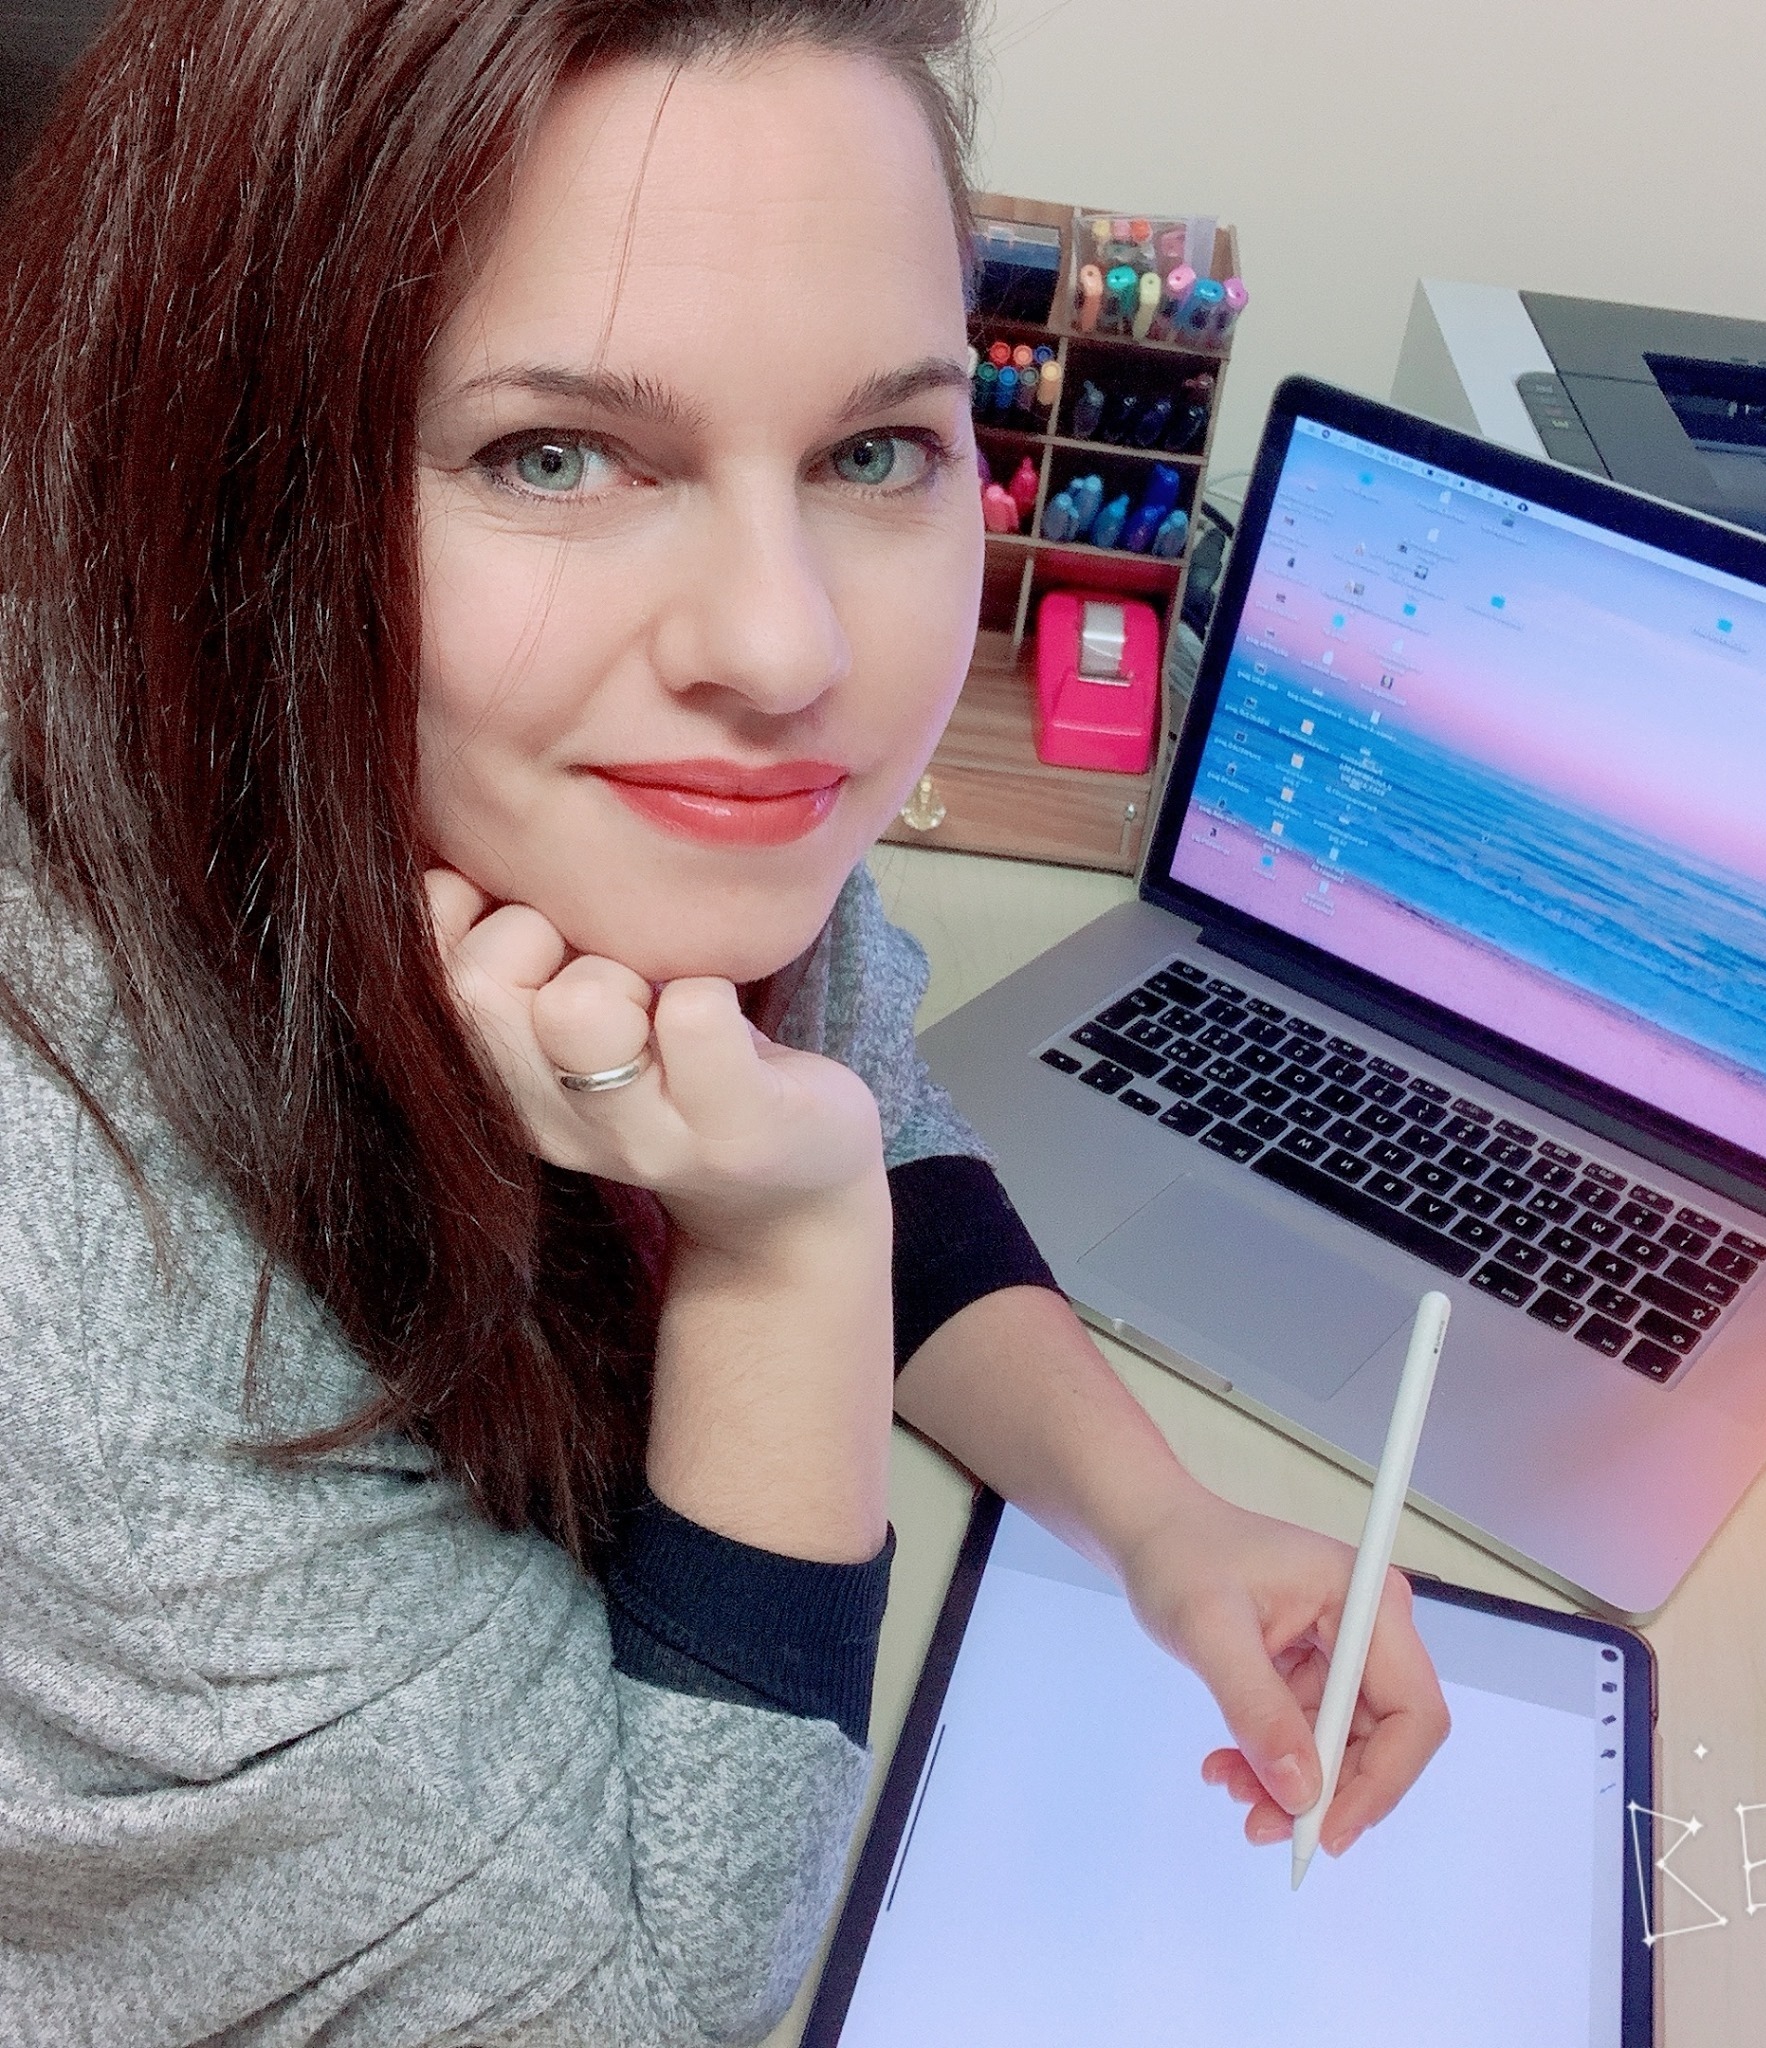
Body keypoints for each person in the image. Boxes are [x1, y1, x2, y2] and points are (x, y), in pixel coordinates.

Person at [0, 1, 1450, 2038]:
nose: (784, 651)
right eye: (555, 454)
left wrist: (1158, 1517)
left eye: (873, 451)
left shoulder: (591, 791)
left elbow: (871, 1102)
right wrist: (783, 1258)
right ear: (231, 495)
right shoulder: (80, 1242)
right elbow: (646, 1997)